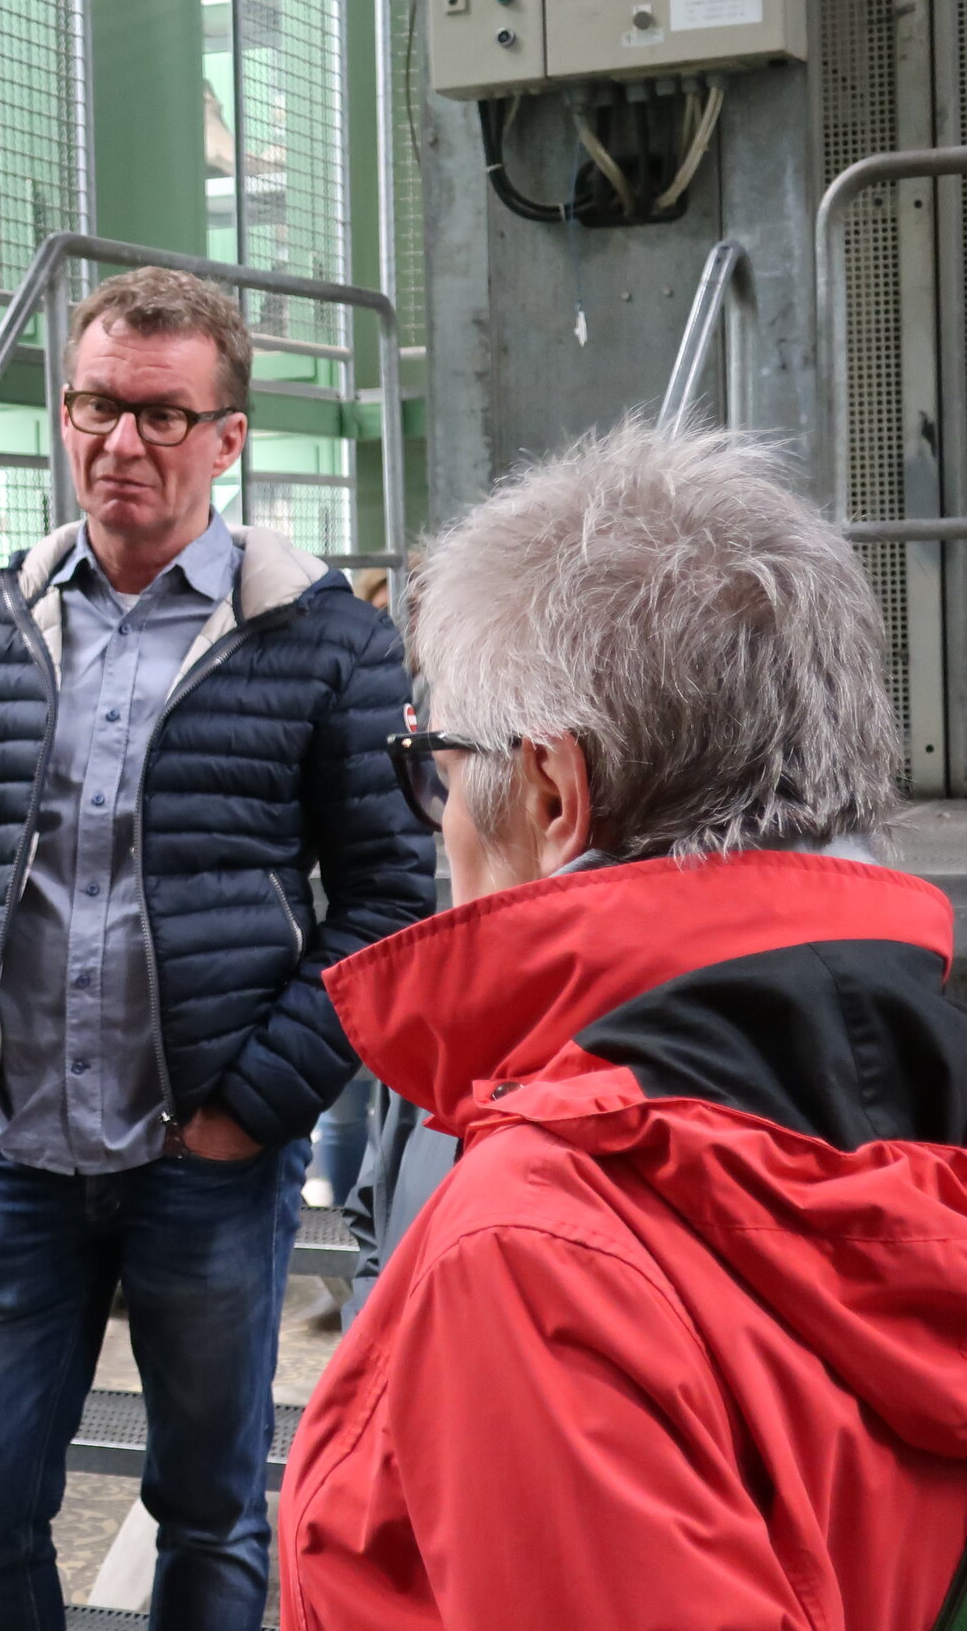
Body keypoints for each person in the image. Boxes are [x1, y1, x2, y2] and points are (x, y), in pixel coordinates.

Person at [279, 424, 967, 1630]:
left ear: (551, 791)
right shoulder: (926, 1078)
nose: (439, 815)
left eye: (436, 761)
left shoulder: (537, 1249)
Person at [0, 266, 432, 1631]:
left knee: (208, 1509)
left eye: (161, 414)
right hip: (13, 1145)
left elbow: (388, 896)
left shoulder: (322, 637)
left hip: (204, 1154)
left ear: (227, 437)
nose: (121, 441)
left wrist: (251, 1107)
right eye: (95, 406)